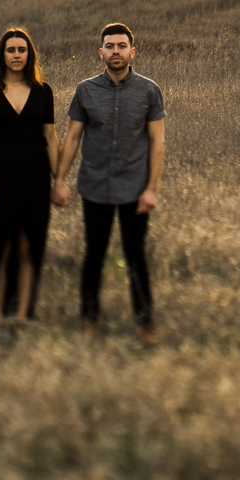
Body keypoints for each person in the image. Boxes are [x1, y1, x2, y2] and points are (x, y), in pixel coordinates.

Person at [53, 22, 165, 343]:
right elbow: (72, 138)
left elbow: (157, 142)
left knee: (135, 254)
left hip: (134, 187)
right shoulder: (86, 90)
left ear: (133, 50)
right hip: (95, 186)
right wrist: (59, 180)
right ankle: (88, 318)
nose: (115, 51)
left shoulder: (148, 90)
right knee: (94, 253)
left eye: (121, 45)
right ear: (100, 52)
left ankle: (146, 323)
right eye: (110, 46)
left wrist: (151, 189)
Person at [0, 27, 60, 326]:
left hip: (36, 176)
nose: (17, 55)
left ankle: (24, 314)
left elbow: (51, 136)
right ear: (2, 55)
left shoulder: (43, 91)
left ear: (29, 54)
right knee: (0, 245)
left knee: (29, 245)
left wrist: (58, 180)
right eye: (11, 50)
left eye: (22, 50)